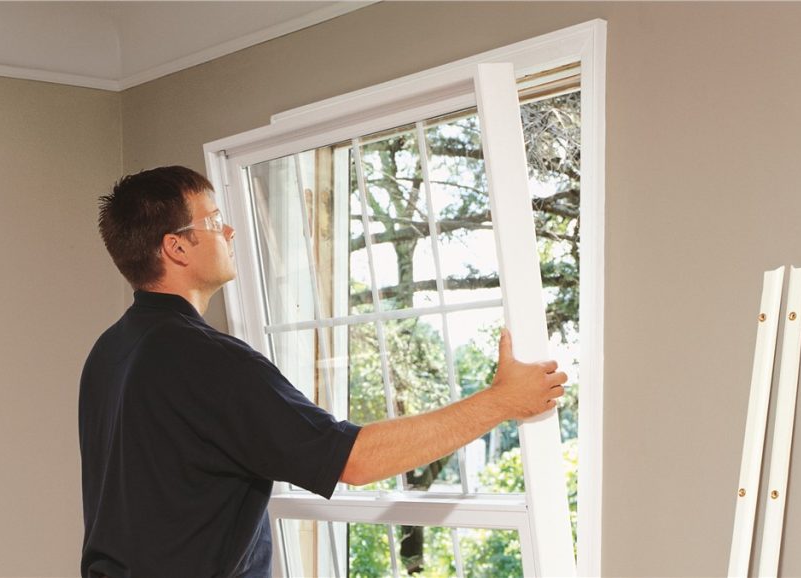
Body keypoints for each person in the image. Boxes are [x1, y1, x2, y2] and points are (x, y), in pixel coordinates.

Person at [79, 166, 566, 577]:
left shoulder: (110, 351)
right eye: (214, 220)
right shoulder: (207, 359)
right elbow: (353, 460)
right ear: (176, 248)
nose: (229, 232)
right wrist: (500, 401)